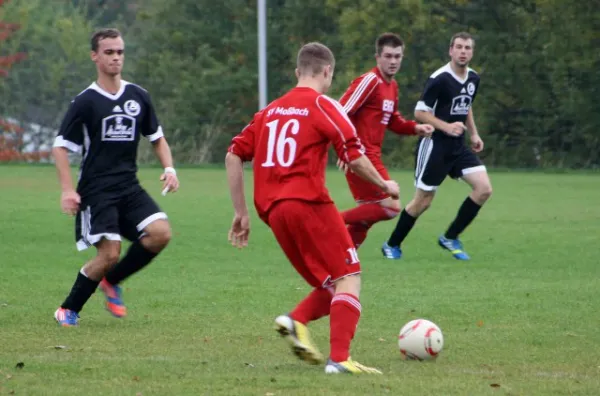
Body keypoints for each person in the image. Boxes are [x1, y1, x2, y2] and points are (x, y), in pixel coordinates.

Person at [225, 42, 399, 374]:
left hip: (273, 213)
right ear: (328, 72)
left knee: (331, 284)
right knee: (350, 276)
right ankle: (340, 360)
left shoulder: (269, 111)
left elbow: (233, 154)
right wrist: (384, 186)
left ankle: (295, 321)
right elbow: (354, 156)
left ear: (297, 72)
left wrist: (241, 212)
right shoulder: (324, 105)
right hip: (307, 202)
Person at [52, 28, 180, 327]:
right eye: (109, 52)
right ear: (95, 56)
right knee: (109, 253)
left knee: (161, 234)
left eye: (120, 52)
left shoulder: (138, 96)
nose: (116, 58)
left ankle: (112, 283)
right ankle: (68, 309)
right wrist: (67, 190)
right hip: (97, 191)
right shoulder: (85, 101)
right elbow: (60, 147)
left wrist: (170, 169)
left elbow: (157, 138)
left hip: (129, 187)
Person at [382, 32, 492, 260]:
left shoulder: (473, 78)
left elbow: (466, 105)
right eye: (459, 47)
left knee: (484, 189)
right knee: (423, 201)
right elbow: (420, 112)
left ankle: (450, 237)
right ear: (450, 50)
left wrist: (474, 133)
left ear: (472, 52)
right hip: (435, 146)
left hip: (458, 146)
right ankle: (392, 244)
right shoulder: (439, 78)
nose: (463, 51)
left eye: (468, 48)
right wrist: (446, 126)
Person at [337, 33, 433, 249]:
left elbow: (392, 121)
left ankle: (341, 263)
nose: (393, 61)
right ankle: (329, 220)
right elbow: (339, 112)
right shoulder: (370, 81)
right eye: (388, 56)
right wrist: (343, 146)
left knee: (365, 218)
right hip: (360, 154)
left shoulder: (392, 86)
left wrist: (415, 128)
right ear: (377, 57)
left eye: (397, 56)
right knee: (390, 205)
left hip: (370, 154)